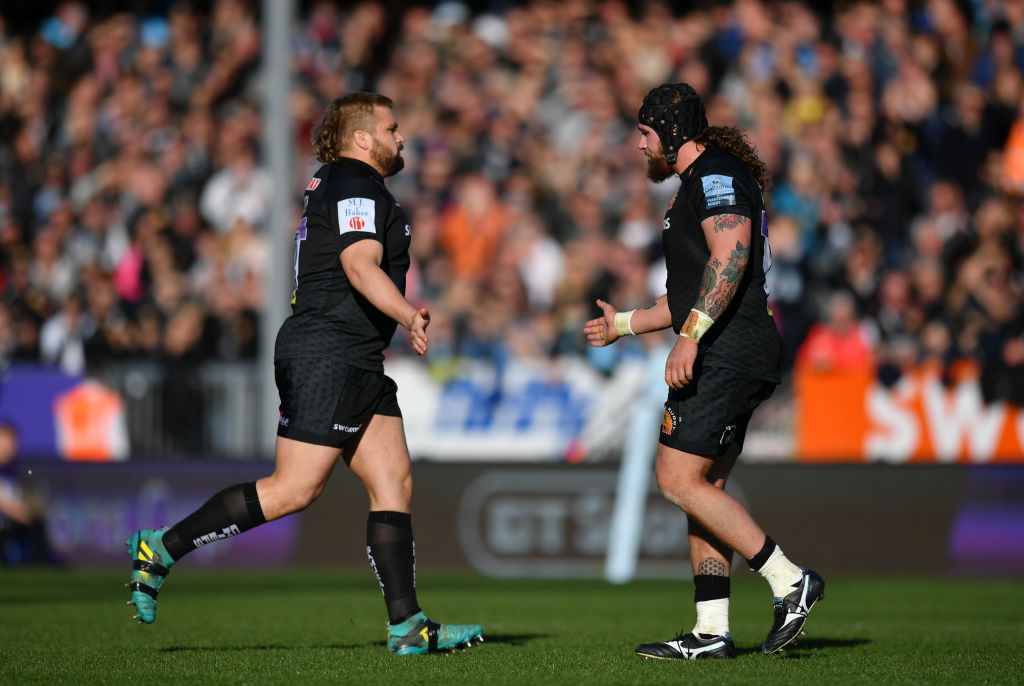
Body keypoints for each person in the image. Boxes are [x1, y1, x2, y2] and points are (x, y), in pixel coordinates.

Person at [125, 92, 483, 655]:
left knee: (394, 482)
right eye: (392, 127)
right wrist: (409, 313)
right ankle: (161, 549)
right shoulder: (354, 186)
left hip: (355, 357)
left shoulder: (348, 186)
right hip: (328, 353)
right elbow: (359, 266)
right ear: (362, 138)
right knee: (294, 488)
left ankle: (408, 625)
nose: (402, 136)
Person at [584, 83, 824, 659]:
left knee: (675, 478)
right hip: (735, 346)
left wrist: (690, 339)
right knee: (702, 487)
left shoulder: (714, 175)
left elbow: (731, 255)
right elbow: (689, 292)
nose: (638, 145)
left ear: (668, 131)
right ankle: (711, 630)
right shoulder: (699, 184)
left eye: (645, 133)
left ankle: (790, 581)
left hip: (728, 349)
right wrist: (624, 325)